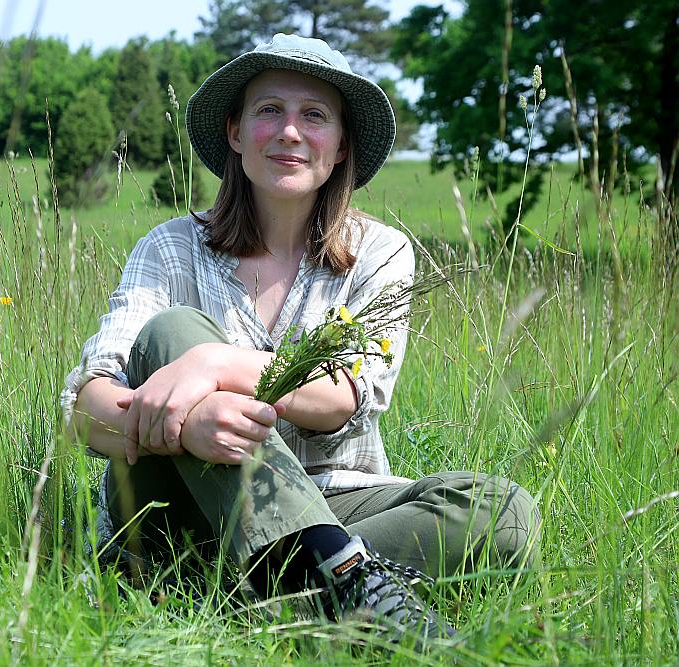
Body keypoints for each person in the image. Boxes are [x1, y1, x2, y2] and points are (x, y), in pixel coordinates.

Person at [61, 33, 538, 642]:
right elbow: (85, 407)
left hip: (335, 497)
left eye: (314, 115)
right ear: (236, 132)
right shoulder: (172, 248)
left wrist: (214, 364)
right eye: (270, 110)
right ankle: (343, 582)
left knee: (507, 512)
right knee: (171, 329)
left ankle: (244, 602)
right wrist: (187, 428)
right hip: (180, 513)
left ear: (340, 147)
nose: (290, 132)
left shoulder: (379, 252)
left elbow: (346, 397)